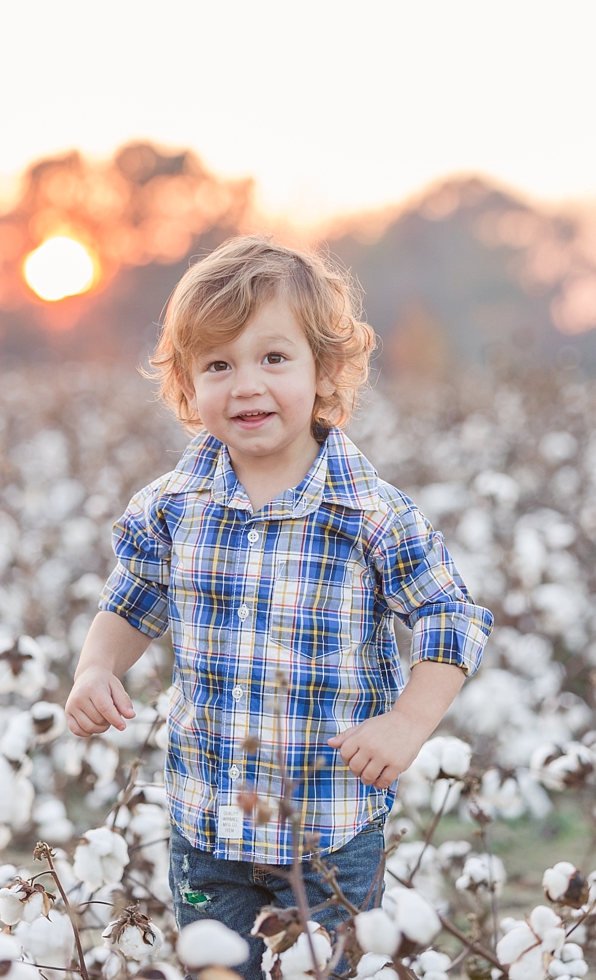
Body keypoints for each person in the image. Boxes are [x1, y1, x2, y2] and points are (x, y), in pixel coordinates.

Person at [65, 236, 493, 977]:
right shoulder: (171, 507)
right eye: (217, 365)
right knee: (216, 970)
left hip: (329, 829)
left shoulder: (371, 515)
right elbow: (132, 600)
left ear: (324, 370)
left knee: (325, 968)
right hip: (207, 826)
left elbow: (449, 617)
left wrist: (407, 721)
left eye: (272, 358)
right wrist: (96, 667)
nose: (244, 386)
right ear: (187, 386)